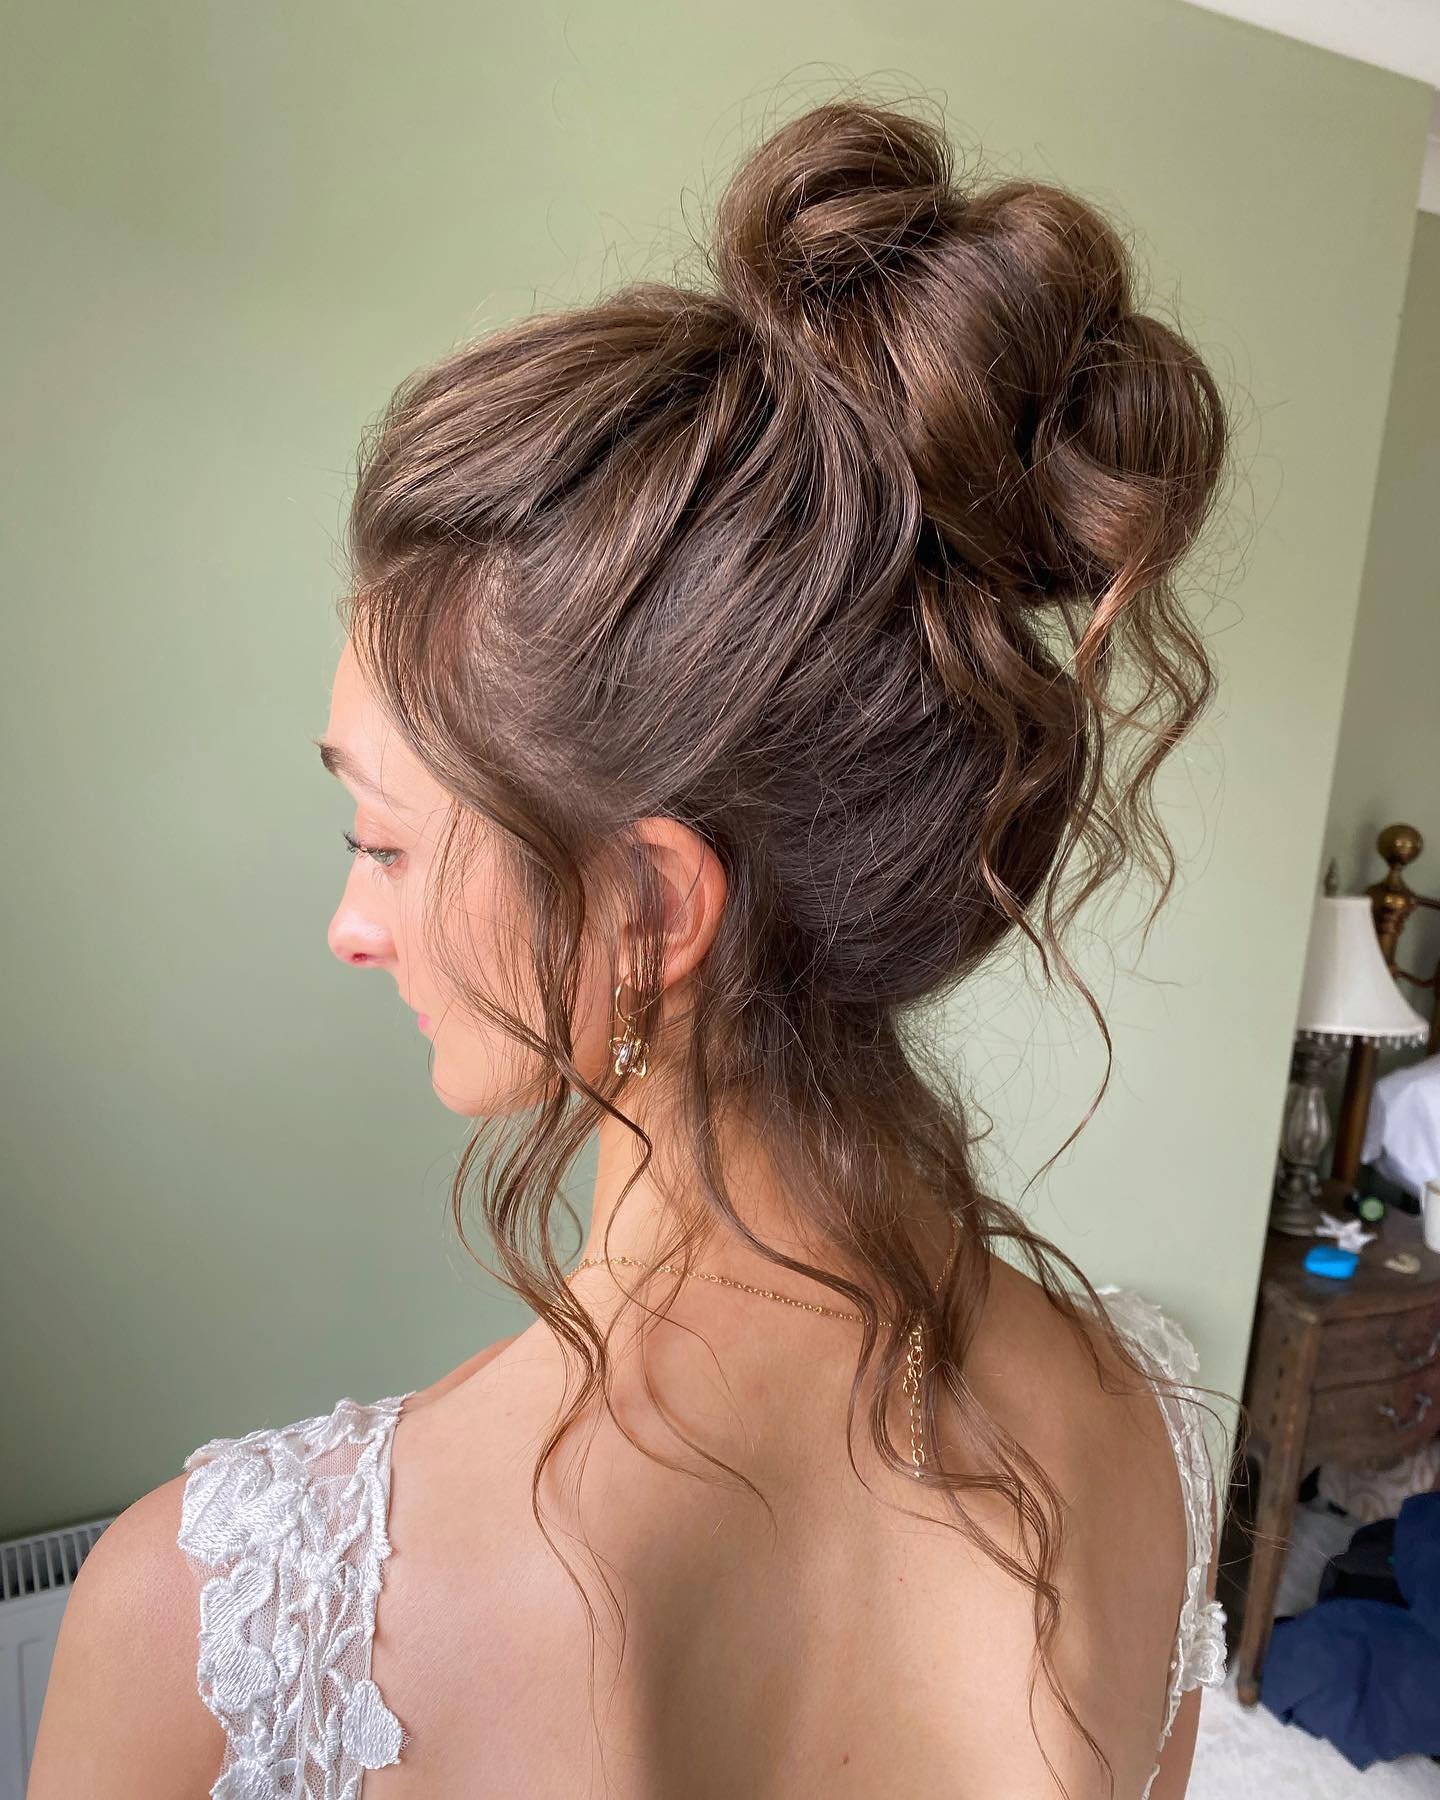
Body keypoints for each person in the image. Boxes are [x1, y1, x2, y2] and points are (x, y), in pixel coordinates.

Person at [29, 93, 1235, 1799]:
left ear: (654, 908)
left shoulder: (202, 1632)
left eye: (378, 839)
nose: (350, 926)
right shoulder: (1157, 1444)